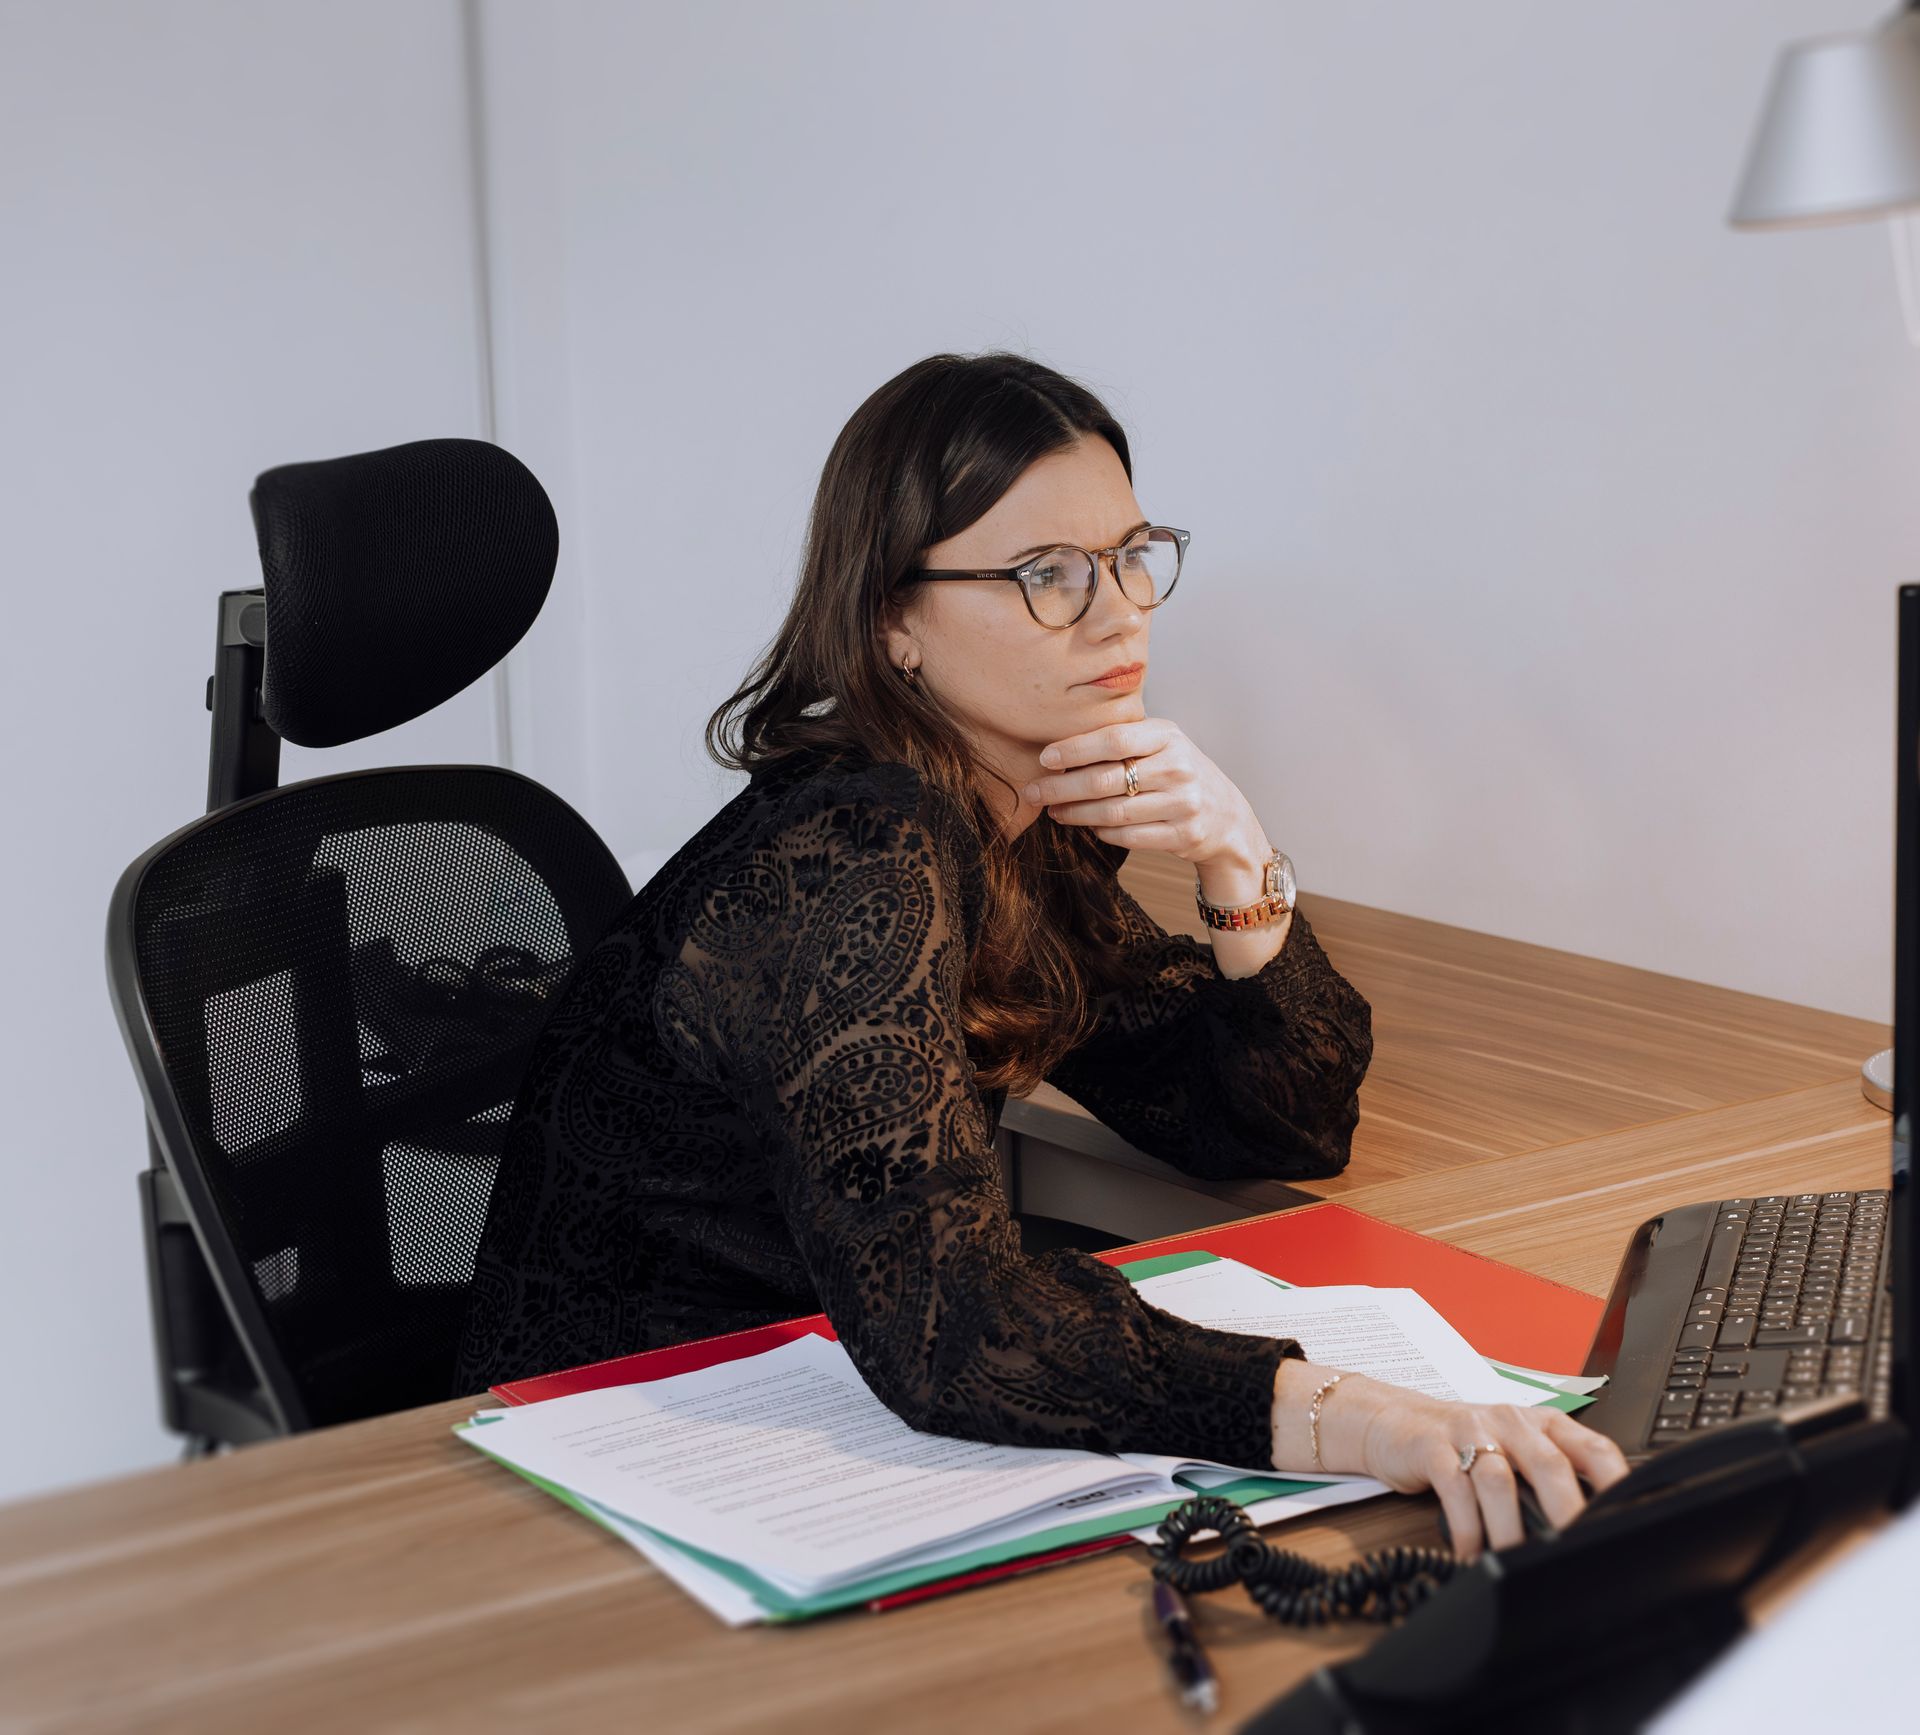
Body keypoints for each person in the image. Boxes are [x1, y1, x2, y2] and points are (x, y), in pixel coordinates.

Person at [451, 350, 1629, 1557]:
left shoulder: (1016, 811)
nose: (1120, 609)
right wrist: (1365, 1418)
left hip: (821, 1395)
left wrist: (1239, 856)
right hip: (623, 1458)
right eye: (1045, 575)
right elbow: (953, 1326)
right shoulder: (856, 853)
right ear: (893, 620)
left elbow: (1273, 1125)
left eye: (1131, 554)